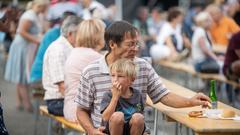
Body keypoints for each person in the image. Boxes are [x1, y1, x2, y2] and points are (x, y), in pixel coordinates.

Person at [76, 21, 211, 135]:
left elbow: (164, 96)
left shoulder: (142, 66)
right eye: (130, 44)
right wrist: (92, 131)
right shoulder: (91, 71)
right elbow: (81, 110)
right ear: (112, 45)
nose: (135, 49)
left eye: (136, 44)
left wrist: (191, 101)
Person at [4, 0, 49, 112]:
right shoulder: (29, 15)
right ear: (41, 6)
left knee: (21, 75)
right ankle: (27, 104)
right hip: (22, 47)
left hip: (27, 47)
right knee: (22, 76)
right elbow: (21, 31)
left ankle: (19, 102)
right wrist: (38, 41)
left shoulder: (36, 15)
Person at [64, 19, 105, 122]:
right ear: (98, 36)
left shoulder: (76, 52)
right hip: (81, 112)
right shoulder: (93, 57)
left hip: (71, 107)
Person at [42, 15, 82, 116]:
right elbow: (62, 87)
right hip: (57, 101)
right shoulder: (58, 50)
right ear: (70, 34)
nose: (85, 36)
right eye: (82, 33)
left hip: (65, 99)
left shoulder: (69, 47)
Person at [101, 58, 145, 135]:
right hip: (112, 130)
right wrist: (115, 97)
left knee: (138, 117)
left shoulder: (137, 95)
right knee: (118, 116)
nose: (115, 79)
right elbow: (105, 118)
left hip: (131, 130)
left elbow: (140, 116)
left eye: (120, 76)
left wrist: (145, 131)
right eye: (113, 75)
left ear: (132, 80)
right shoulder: (108, 95)